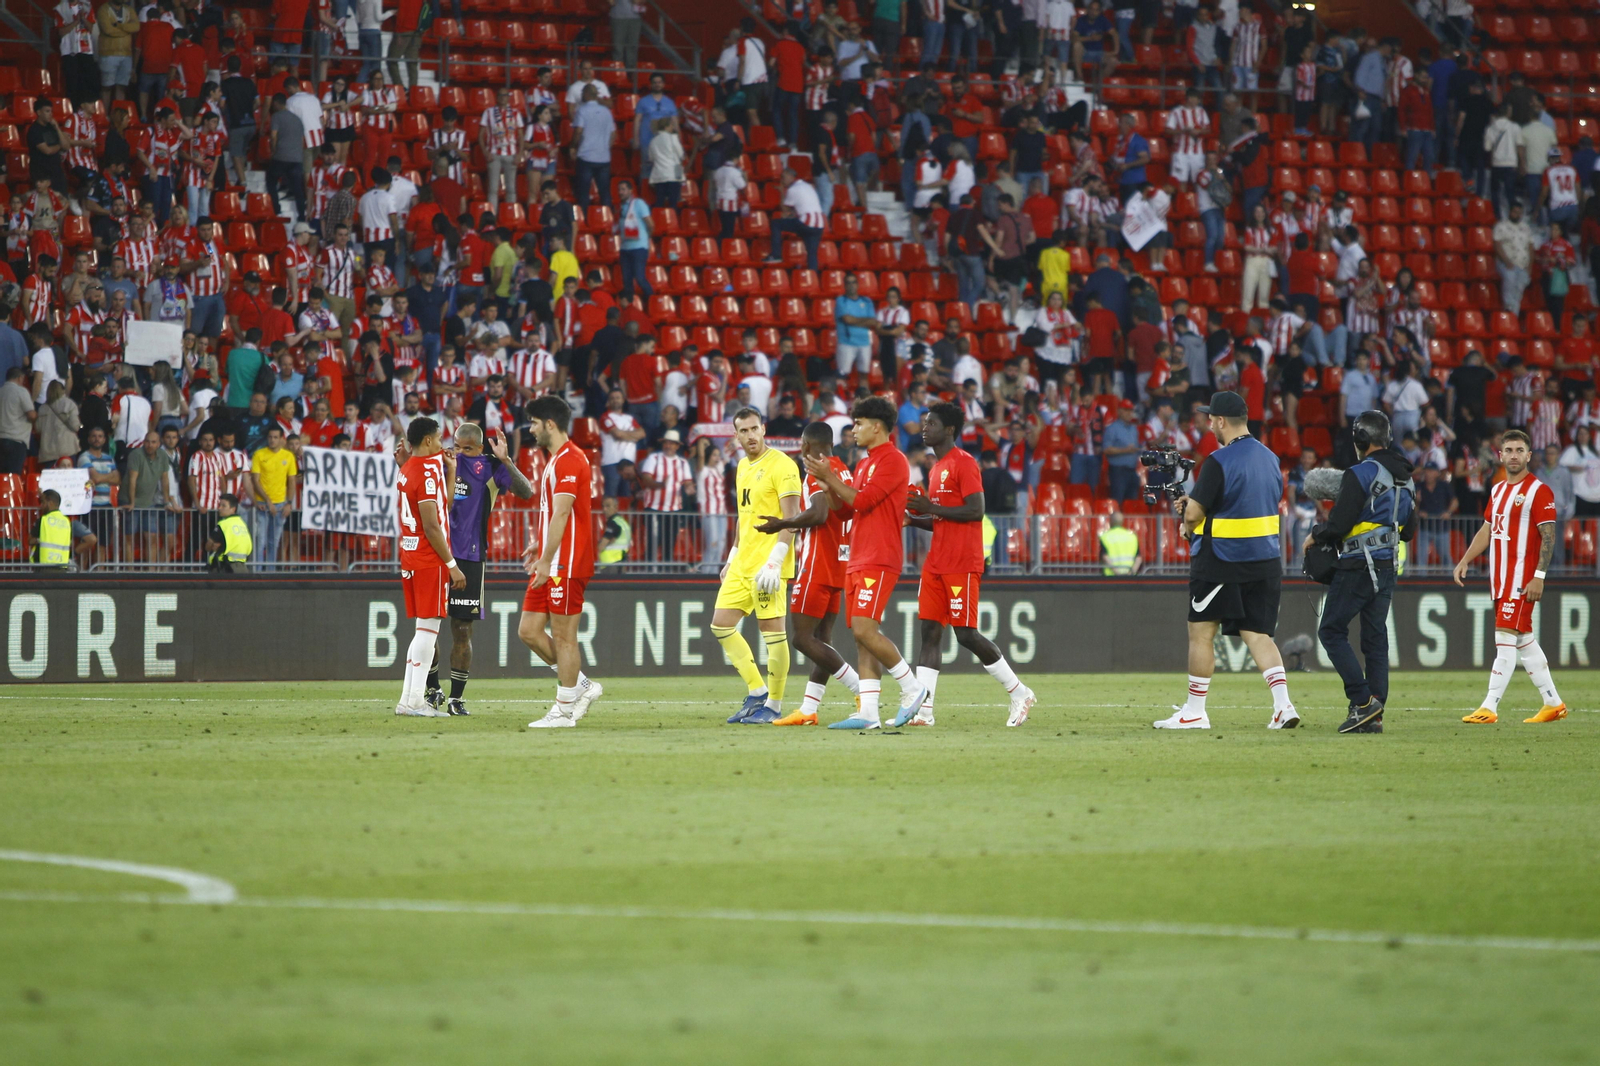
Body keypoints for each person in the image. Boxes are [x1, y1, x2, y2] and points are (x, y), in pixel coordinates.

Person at [1155, 390, 1299, 731]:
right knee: (1258, 634)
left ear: (1220, 421)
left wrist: (1188, 513)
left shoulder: (1218, 461)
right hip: (1265, 558)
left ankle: (1194, 711)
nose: (1208, 424)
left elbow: (1193, 517)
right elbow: (1247, 503)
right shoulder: (1270, 458)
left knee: (1201, 632)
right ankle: (1283, 706)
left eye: (1210, 418)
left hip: (1222, 559)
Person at [904, 404, 1035, 727]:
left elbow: (976, 510)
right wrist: (914, 518)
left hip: (962, 561)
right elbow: (941, 520)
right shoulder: (935, 469)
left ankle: (1019, 692)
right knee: (930, 631)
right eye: (924, 423)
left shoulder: (964, 463)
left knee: (965, 634)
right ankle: (924, 712)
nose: (925, 428)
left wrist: (930, 506)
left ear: (949, 429)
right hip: (936, 561)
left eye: (931, 423)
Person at [803, 396, 929, 729]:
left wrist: (830, 478)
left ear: (877, 426)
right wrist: (824, 481)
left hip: (879, 555)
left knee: (864, 629)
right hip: (858, 556)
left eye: (858, 423)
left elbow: (865, 500)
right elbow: (846, 510)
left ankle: (913, 688)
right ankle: (869, 712)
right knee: (860, 636)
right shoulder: (864, 463)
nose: (852, 429)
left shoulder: (894, 461)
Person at [1310, 411, 1417, 735]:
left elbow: (1339, 525)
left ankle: (1362, 702)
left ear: (1360, 440)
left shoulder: (1361, 473)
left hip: (1358, 564)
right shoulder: (1406, 478)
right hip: (1387, 565)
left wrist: (1316, 534)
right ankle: (1376, 711)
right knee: (1375, 638)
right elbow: (1409, 531)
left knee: (1330, 630)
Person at [753, 421, 863, 726]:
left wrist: (782, 524)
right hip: (840, 564)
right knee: (822, 639)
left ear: (805, 446)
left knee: (802, 639)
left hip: (817, 565)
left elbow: (819, 513)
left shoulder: (816, 470)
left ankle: (860, 690)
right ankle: (809, 708)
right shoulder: (843, 469)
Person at [1454, 430, 1567, 724]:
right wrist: (1466, 559)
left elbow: (1549, 536)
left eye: (1519, 450)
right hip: (1500, 580)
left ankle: (1489, 707)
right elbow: (1488, 529)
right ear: (1500, 455)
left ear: (1529, 456)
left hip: (1522, 580)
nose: (1514, 455)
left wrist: (1539, 576)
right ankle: (1553, 703)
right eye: (1509, 450)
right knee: (1524, 639)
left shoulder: (1539, 491)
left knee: (1504, 638)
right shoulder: (1498, 490)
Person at [421, 422, 534, 716]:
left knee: (462, 629)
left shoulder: (491, 467)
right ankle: (432, 690)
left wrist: (506, 460)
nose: (460, 453)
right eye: (457, 447)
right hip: (435, 554)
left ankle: (456, 699)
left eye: (467, 449)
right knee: (428, 629)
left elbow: (527, 491)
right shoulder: (440, 462)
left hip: (470, 558)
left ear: (480, 449)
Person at [520, 395, 604, 728]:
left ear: (549, 424)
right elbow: (556, 516)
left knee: (565, 637)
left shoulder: (571, 460)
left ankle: (565, 710)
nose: (531, 429)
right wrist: (539, 547)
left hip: (567, 563)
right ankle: (581, 685)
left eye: (534, 422)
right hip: (552, 560)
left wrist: (547, 559)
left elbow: (564, 512)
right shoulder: (556, 460)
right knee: (528, 630)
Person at [715, 407, 804, 724]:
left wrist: (776, 561)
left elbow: (791, 518)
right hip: (743, 563)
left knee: (772, 634)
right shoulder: (741, 466)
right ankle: (756, 692)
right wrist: (732, 557)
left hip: (769, 565)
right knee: (721, 625)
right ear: (736, 435)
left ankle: (775, 706)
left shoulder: (783, 465)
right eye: (744, 431)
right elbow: (744, 517)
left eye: (755, 429)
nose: (750, 436)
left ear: (764, 429)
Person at [391, 416, 467, 718]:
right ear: (427, 441)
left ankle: (408, 699)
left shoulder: (407, 469)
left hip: (410, 556)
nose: (440, 444)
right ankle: (413, 702)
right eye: (437, 439)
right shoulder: (424, 471)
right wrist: (452, 565)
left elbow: (440, 505)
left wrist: (451, 471)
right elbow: (432, 524)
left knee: (421, 631)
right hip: (428, 559)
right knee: (428, 631)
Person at [205, 492, 253, 572]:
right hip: (242, 568)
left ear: (233, 509)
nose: (220, 508)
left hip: (225, 568)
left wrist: (214, 546)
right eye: (220, 505)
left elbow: (208, 547)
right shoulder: (242, 524)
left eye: (224, 506)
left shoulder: (223, 524)